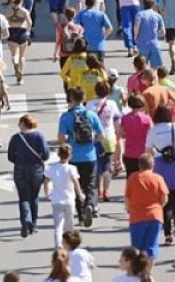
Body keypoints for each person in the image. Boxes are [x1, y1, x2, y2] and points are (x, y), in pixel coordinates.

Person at [146, 104, 175, 245]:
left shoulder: (153, 131)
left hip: (160, 168)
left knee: (165, 203)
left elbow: (148, 152)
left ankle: (167, 234)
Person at [58, 87, 103, 227]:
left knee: (75, 186)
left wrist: (67, 145)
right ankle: (90, 204)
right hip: (90, 156)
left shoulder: (66, 116)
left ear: (71, 99)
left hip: (74, 157)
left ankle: (81, 215)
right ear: (84, 99)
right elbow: (102, 136)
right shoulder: (91, 115)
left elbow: (61, 137)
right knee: (89, 184)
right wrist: (92, 141)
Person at [7, 114, 50, 238]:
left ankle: (26, 220)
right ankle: (34, 223)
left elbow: (10, 156)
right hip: (36, 169)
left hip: (20, 169)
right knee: (34, 197)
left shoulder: (16, 138)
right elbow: (46, 155)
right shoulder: (39, 136)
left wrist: (19, 160)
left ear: (23, 124)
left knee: (23, 197)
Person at [125, 152, 168, 261]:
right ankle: (148, 272)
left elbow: (127, 197)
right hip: (155, 215)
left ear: (139, 165)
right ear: (153, 165)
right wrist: (158, 207)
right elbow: (164, 198)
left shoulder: (133, 178)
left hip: (137, 216)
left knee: (137, 248)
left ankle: (139, 272)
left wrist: (129, 209)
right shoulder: (158, 178)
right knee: (151, 246)